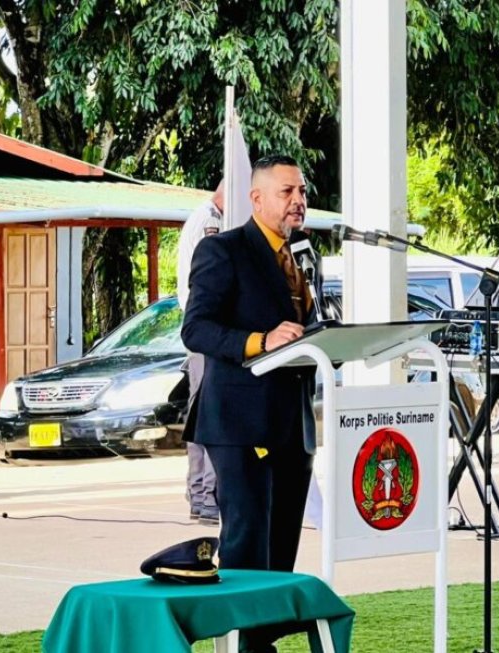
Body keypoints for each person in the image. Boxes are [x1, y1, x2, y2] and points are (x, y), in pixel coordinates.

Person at [181, 155, 322, 579]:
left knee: (282, 546)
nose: (298, 200)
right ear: (256, 198)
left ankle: (265, 640)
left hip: (292, 425)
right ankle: (243, 643)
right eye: (287, 192)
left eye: (301, 191)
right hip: (241, 425)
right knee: (248, 544)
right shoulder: (223, 249)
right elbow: (197, 329)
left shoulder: (301, 254)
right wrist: (259, 342)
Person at [177, 181, 224, 526]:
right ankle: (205, 495)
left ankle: (202, 494)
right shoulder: (211, 220)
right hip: (207, 332)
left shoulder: (207, 216)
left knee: (204, 413)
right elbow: (207, 282)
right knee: (210, 414)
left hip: (205, 333)